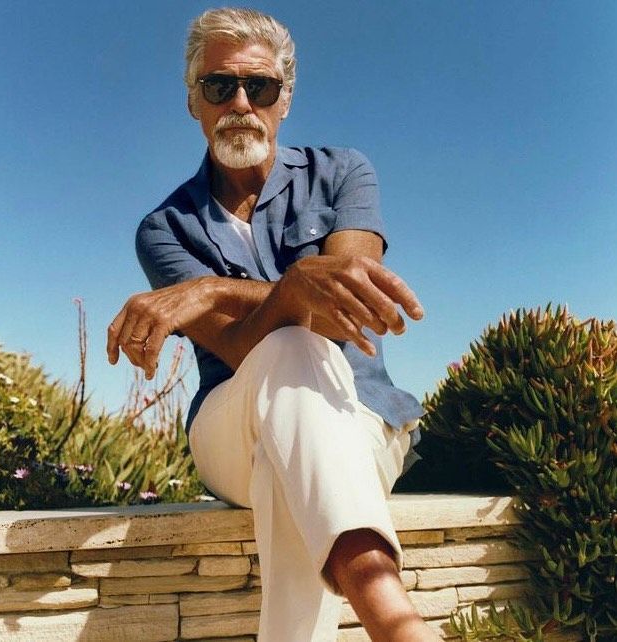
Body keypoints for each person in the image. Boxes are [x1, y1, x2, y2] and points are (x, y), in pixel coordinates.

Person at [107, 8, 441, 642]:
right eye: (218, 86)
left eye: (258, 86)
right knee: (285, 346)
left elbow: (349, 309)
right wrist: (291, 293)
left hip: (358, 415)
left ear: (284, 98)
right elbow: (234, 345)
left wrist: (213, 288)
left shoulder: (343, 172)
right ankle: (396, 625)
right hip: (231, 430)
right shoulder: (165, 229)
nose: (239, 102)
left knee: (288, 470)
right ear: (193, 104)